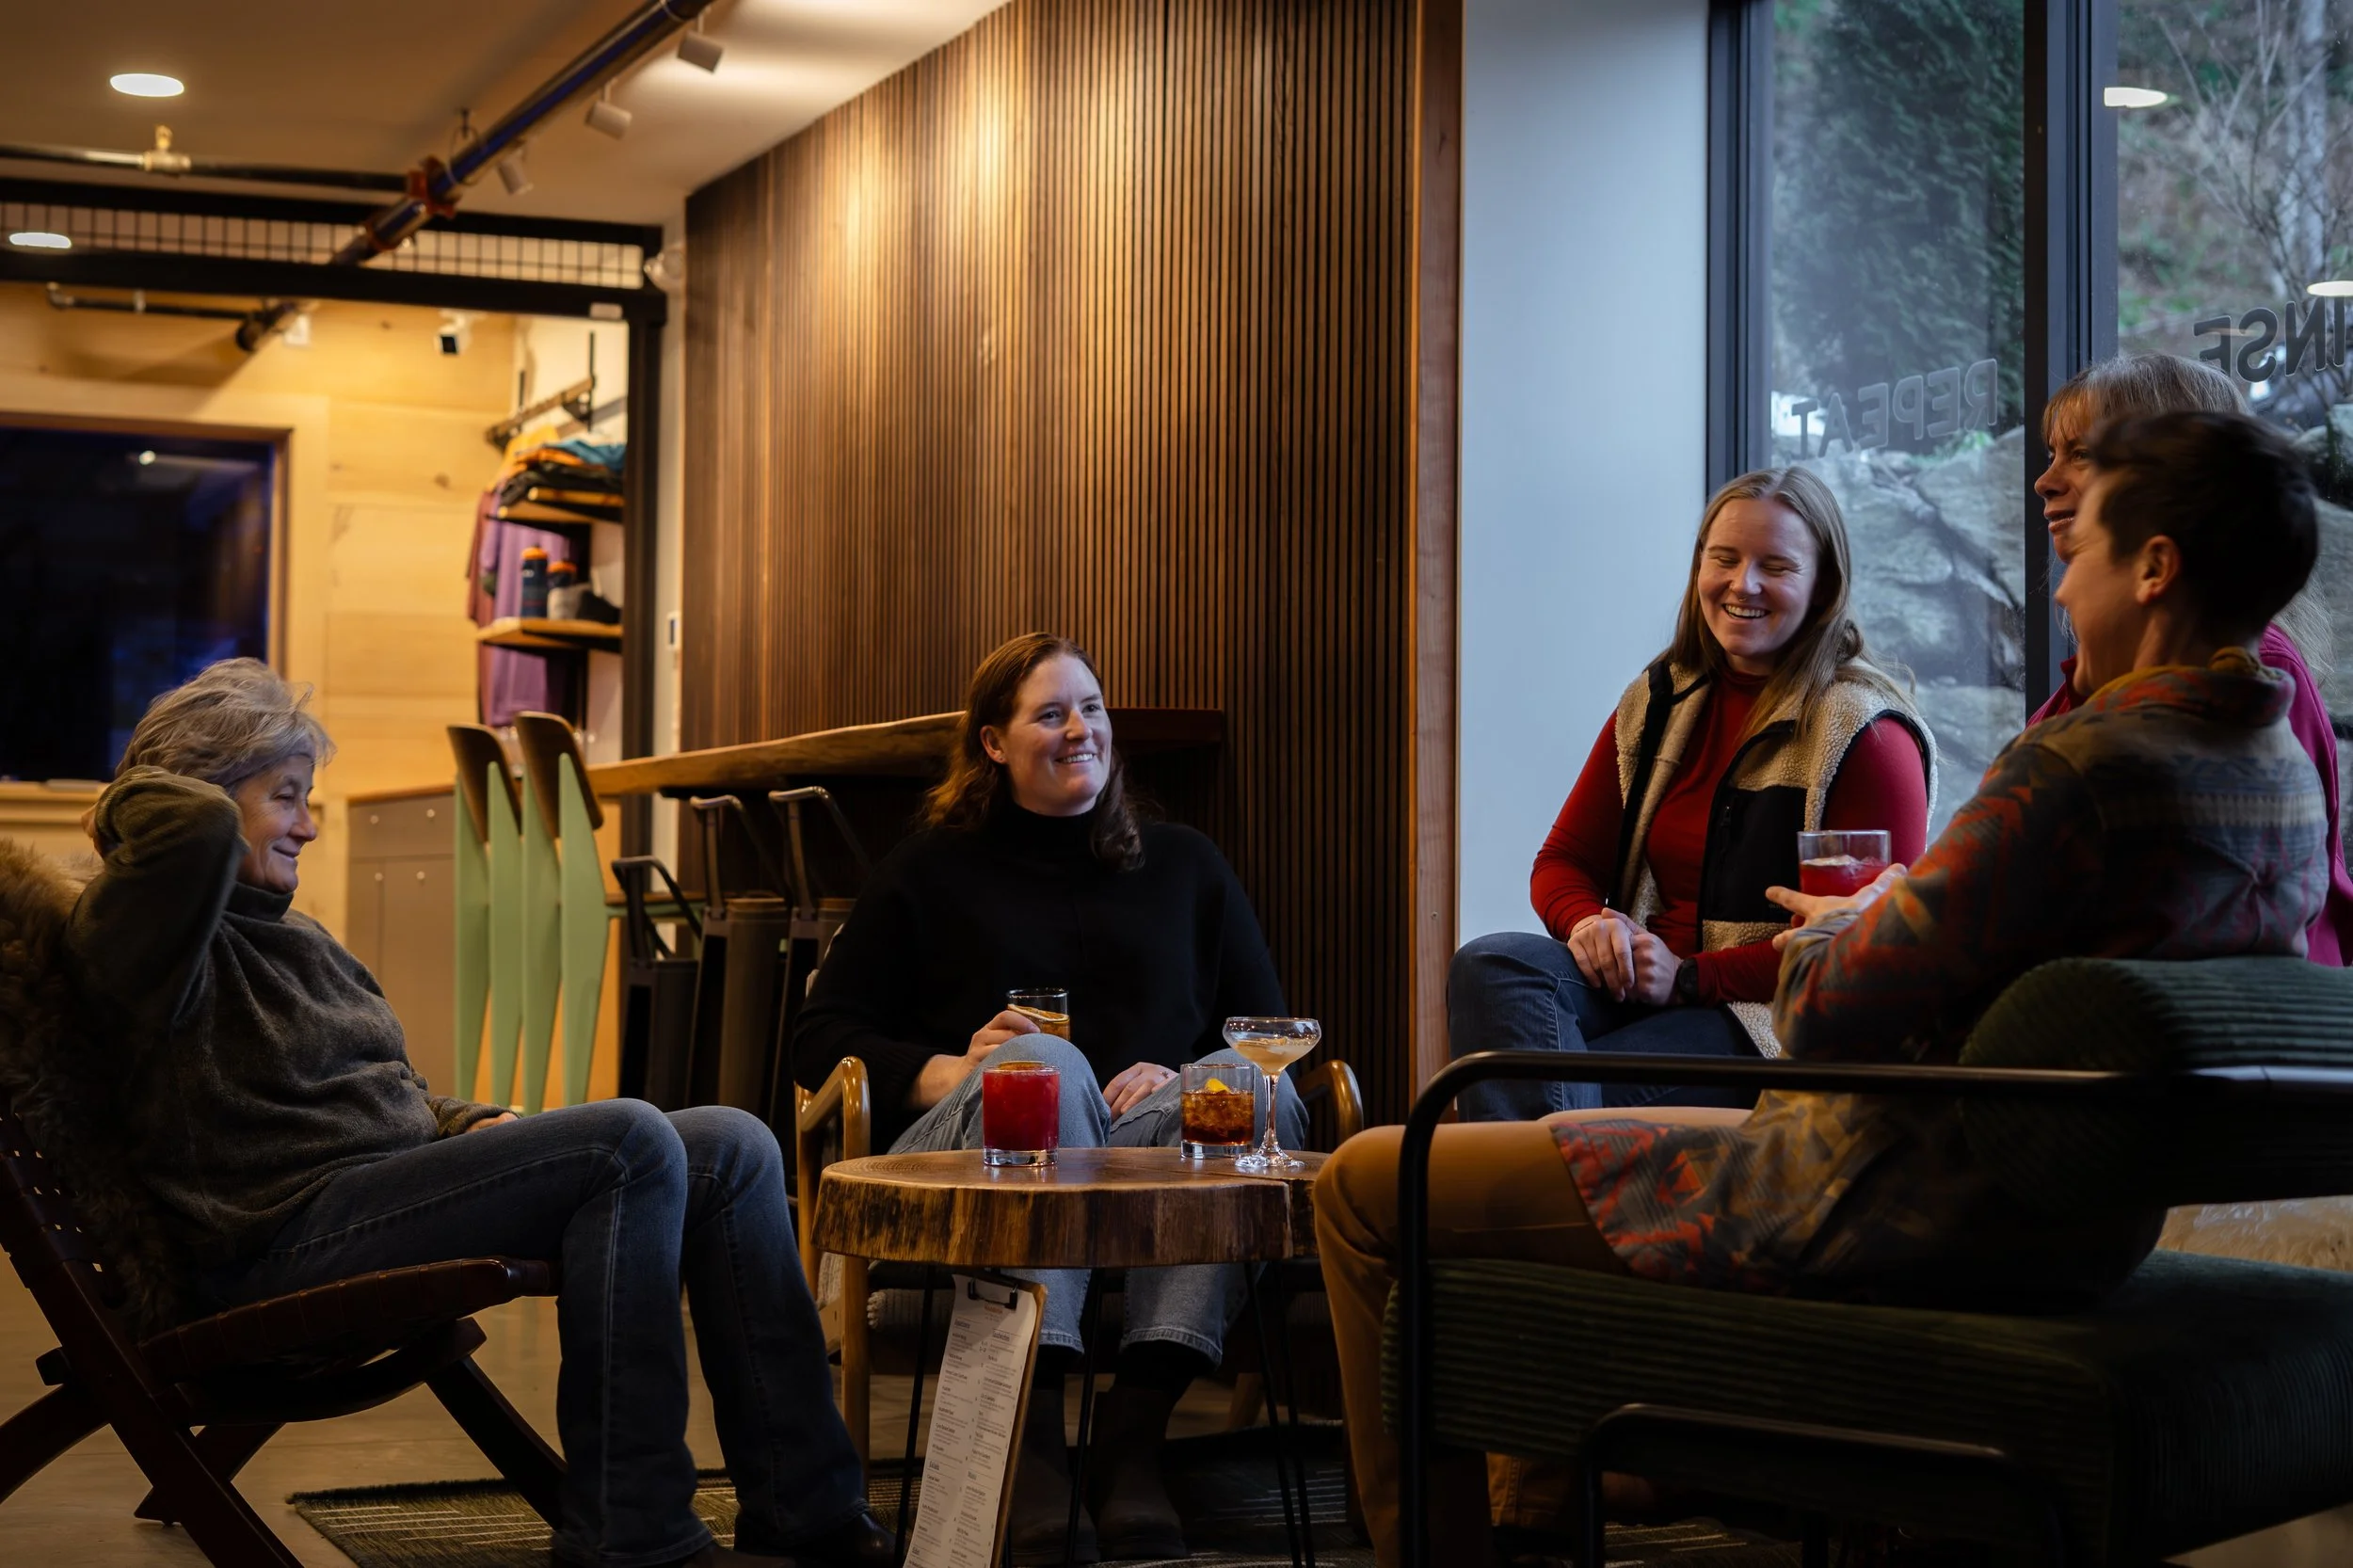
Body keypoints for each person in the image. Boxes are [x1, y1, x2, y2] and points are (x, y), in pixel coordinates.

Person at [1318, 409, 2330, 1568]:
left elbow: (1831, 1012)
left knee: (1363, 1183)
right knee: (1507, 981)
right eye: (1723, 559)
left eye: (2078, 552)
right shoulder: (2278, 775)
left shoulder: (2076, 769)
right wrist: (1651, 928)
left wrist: (1835, 931)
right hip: (2064, 1218)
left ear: (2153, 568)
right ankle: (1546, 1479)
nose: (2059, 593)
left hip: (1876, 1187)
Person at [66, 660, 892, 1568]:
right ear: (202, 801)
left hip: (373, 1199)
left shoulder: (291, 931)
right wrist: (137, 798)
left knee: (733, 1143)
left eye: (310, 797)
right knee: (626, 1143)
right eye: (284, 797)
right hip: (274, 1243)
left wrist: (474, 1123)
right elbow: (181, 831)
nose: (307, 824)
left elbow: (390, 1088)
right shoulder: (151, 936)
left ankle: (809, 1511)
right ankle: (632, 1534)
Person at [792, 632, 1303, 1565]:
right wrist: (943, 1067)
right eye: (1052, 713)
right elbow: (820, 1034)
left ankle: (1130, 1437)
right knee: (1043, 1064)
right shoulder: (927, 868)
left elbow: (1254, 1027)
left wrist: (1179, 1072)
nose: (1081, 730)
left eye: (1093, 709)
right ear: (993, 742)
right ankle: (1029, 1439)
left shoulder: (1185, 864)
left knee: (1241, 1086)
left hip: (1134, 1143)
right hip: (964, 1144)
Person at [1446, 466, 1935, 1120]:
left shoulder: (1865, 732)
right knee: (1493, 964)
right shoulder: (1660, 698)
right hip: (1646, 988)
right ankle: (1551, 1190)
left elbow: (1854, 946)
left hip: (1766, 1022)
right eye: (1724, 559)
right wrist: (1590, 925)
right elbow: (1563, 860)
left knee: (1565, 1082)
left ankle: (1529, 1204)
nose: (1743, 584)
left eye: (1777, 566)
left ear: (1823, 589)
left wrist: (1688, 976)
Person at [2031, 351, 2353, 964]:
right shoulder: (2108, 674)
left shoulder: (2254, 673)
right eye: (2052, 454)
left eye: (2082, 454)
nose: (2045, 481)